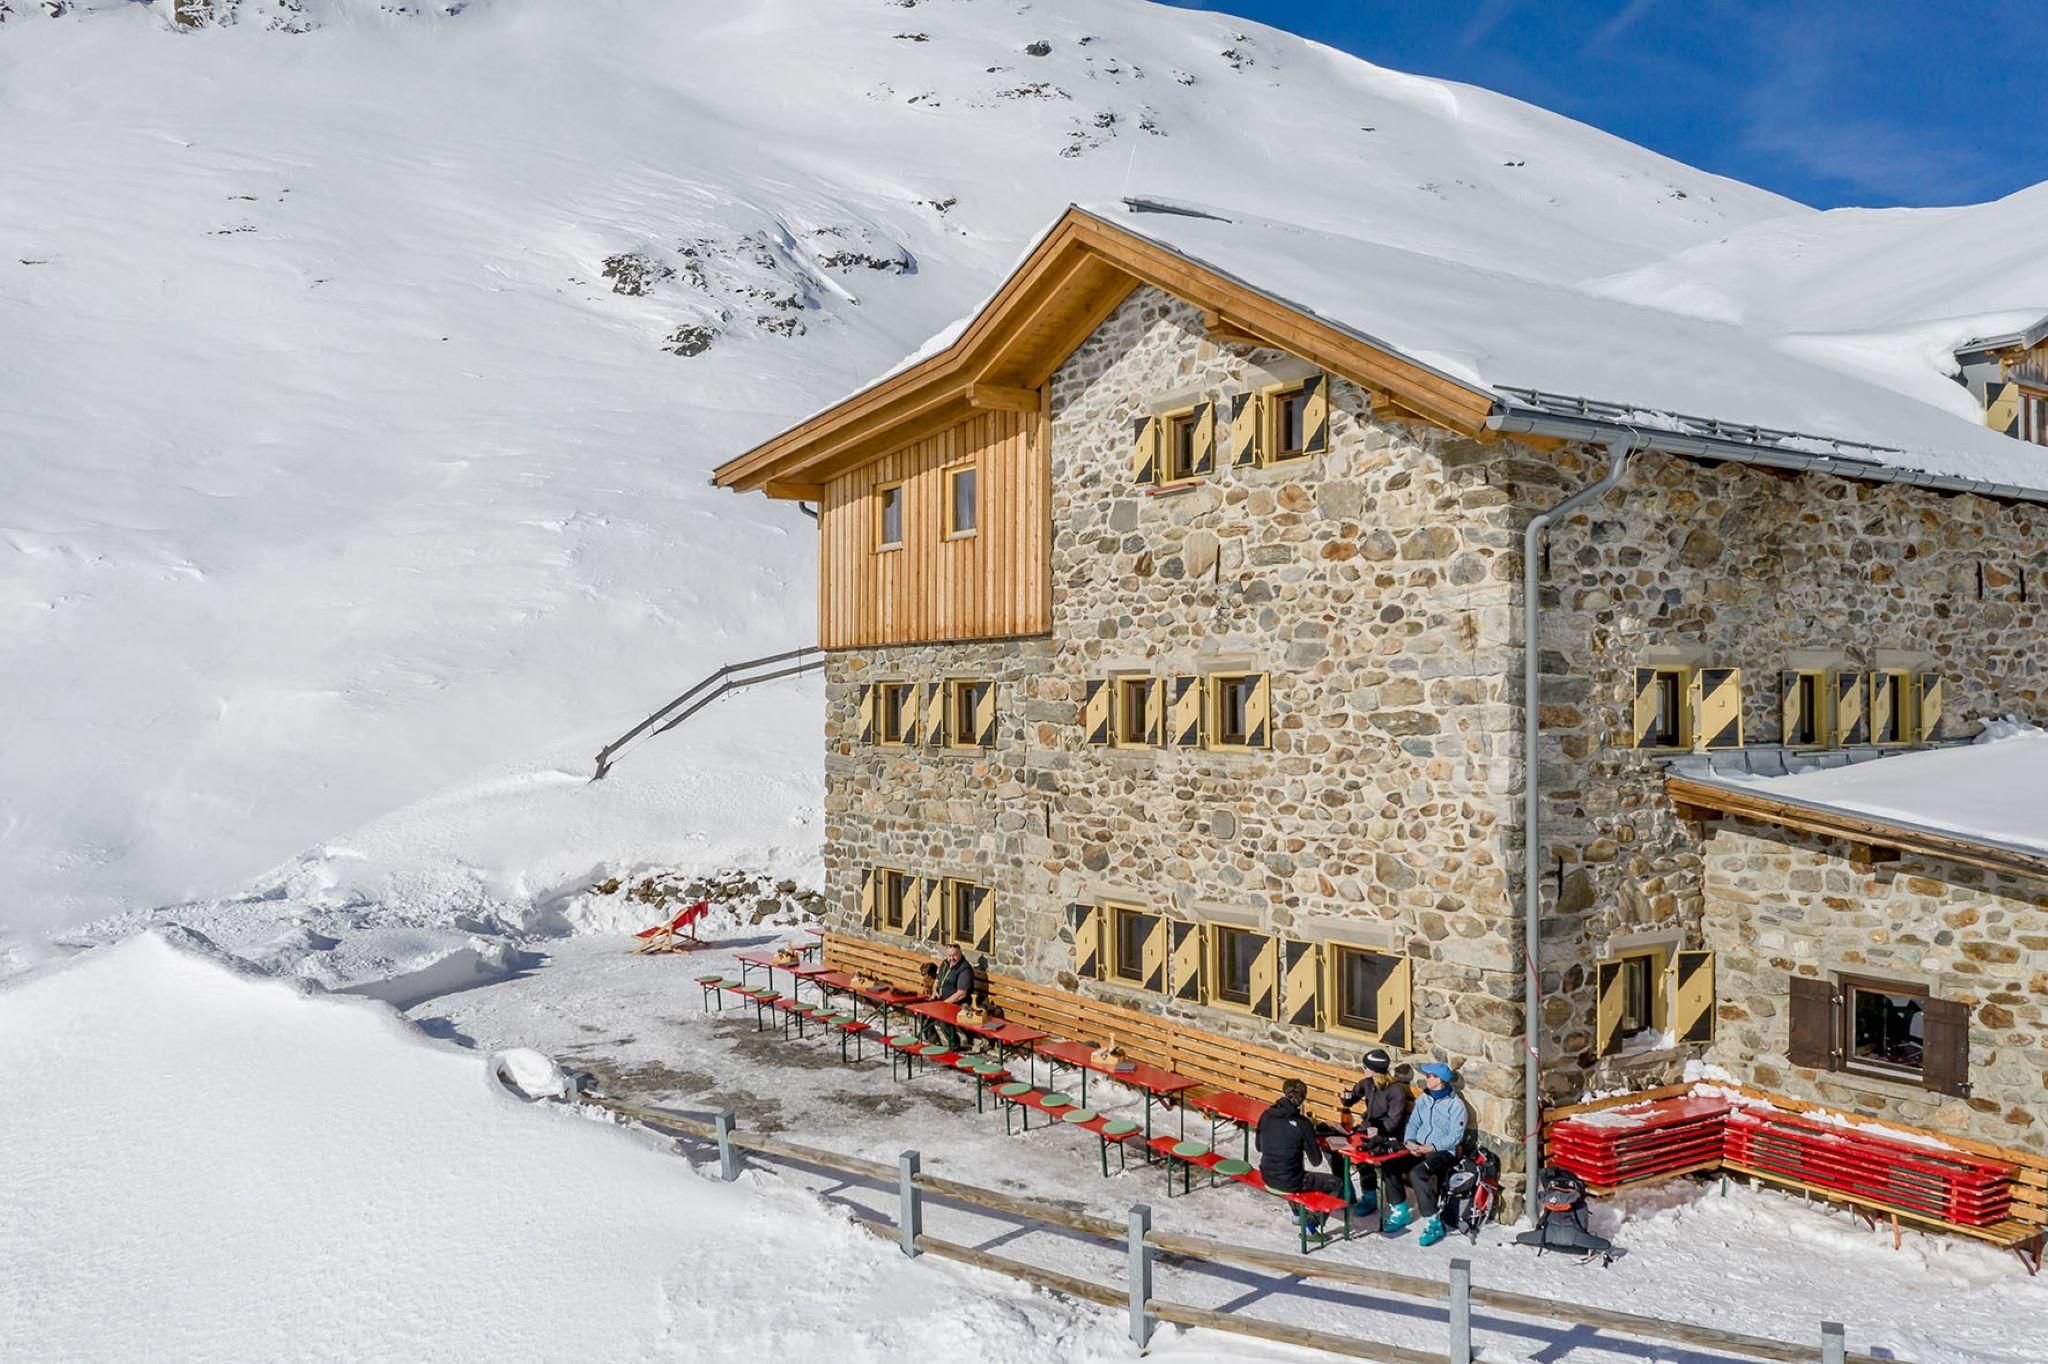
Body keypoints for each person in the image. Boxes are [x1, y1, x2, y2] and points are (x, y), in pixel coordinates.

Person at [1379, 1061, 1469, 1247]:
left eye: (1429, 1076)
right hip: (1418, 1147)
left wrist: (1432, 1147)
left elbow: (1455, 1136)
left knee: (1417, 1173)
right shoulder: (1424, 1099)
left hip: (1443, 1151)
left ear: (1440, 1080)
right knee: (1389, 1165)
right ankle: (1400, 1211)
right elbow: (1413, 1124)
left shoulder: (1456, 1105)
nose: (1426, 1079)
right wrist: (1409, 1142)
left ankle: (1434, 1222)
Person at [1336, 1049, 1411, 1217]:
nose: (1363, 1069)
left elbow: (1393, 1122)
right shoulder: (1367, 1083)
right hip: (1366, 1131)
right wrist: (1346, 1097)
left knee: (1371, 1159)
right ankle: (1351, 1193)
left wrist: (1374, 1134)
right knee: (1335, 1151)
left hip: (1386, 1136)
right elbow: (1353, 1098)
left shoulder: (1395, 1091)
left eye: (1365, 1066)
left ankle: (1376, 1200)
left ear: (1373, 1069)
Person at [1256, 1079, 1340, 1226]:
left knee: (1289, 1170)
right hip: (1290, 1182)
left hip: (1267, 1175)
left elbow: (1259, 1147)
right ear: (1303, 1099)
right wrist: (1308, 1138)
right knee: (1338, 1183)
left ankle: (1297, 1214)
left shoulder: (1266, 1115)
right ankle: (1312, 1225)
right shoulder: (1302, 1124)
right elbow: (1316, 1161)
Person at [932, 944, 975, 1051]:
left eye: (954, 955)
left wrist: (944, 1004)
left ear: (960, 954)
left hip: (958, 1004)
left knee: (943, 1020)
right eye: (949, 955)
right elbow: (937, 981)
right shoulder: (945, 964)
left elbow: (961, 993)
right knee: (924, 1014)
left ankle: (954, 1045)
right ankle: (934, 1042)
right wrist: (934, 992)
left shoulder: (965, 969)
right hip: (942, 1000)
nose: (951, 958)